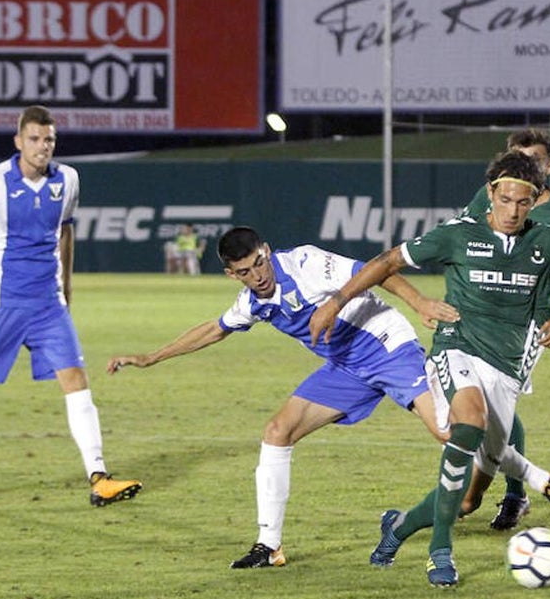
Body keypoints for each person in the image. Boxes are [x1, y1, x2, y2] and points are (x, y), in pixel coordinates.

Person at [309, 151, 550, 587]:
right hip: (455, 347)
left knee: (466, 501)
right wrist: (337, 301)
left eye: (523, 202)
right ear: (491, 193)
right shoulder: (458, 235)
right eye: (506, 198)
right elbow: (386, 262)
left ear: (533, 201)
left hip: (506, 367)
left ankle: (399, 527)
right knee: (470, 421)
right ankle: (440, 553)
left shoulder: (547, 241)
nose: (513, 210)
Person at [106, 226, 459, 569]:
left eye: (260, 262)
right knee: (278, 431)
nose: (258, 275)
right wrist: (151, 358)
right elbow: (215, 329)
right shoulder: (252, 303)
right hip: (346, 368)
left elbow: (375, 270)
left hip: (387, 346)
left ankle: (514, 477)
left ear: (267, 251)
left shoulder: (305, 263)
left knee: (449, 432)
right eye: (245, 271)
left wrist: (420, 302)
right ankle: (269, 546)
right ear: (232, 275)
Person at [0, 104, 142, 508]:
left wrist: (67, 290)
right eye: (35, 139)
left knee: (76, 380)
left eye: (49, 140)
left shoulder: (69, 180)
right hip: (0, 305)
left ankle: (99, 477)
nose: (43, 147)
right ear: (18, 141)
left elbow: (65, 233)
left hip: (48, 304)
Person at [458, 128, 550, 530]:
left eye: (534, 159)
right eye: (518, 156)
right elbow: (462, 239)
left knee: (501, 406)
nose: (526, 165)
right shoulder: (487, 198)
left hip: (525, 326)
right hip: (478, 317)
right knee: (484, 405)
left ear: (549, 166)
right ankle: (497, 487)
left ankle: (515, 494)